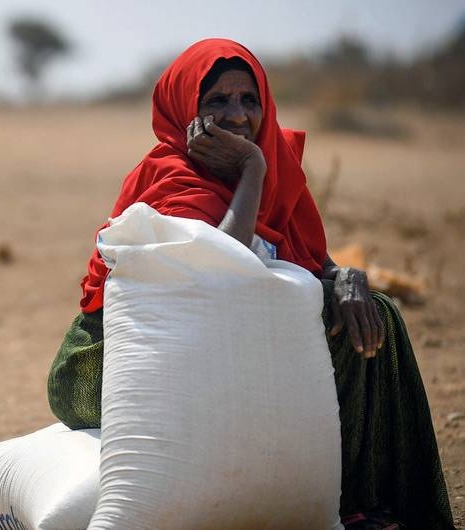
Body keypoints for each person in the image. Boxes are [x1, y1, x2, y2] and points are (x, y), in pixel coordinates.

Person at [46, 39, 453, 529]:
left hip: (213, 355)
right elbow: (220, 274)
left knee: (370, 310)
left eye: (248, 100)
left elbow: (313, 261)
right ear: (185, 111)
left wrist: (348, 276)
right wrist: (251, 170)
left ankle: (368, 502)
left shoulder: (278, 168)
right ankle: (347, 508)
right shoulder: (170, 176)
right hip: (107, 367)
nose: (238, 117)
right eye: (218, 101)